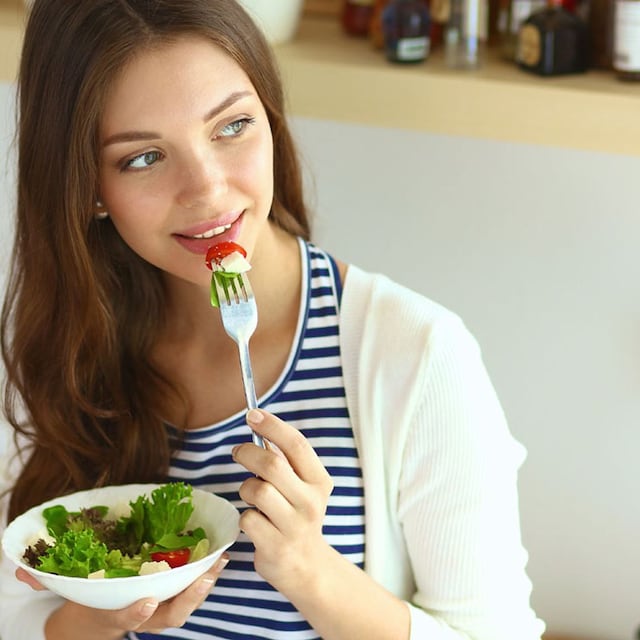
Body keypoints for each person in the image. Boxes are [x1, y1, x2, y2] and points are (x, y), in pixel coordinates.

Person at [0, 1, 546, 639]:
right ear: (86, 185)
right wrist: (98, 620)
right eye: (143, 158)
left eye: (231, 126)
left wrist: (312, 573)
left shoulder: (416, 354)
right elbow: (19, 612)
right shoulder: (72, 339)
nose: (207, 191)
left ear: (271, 116)